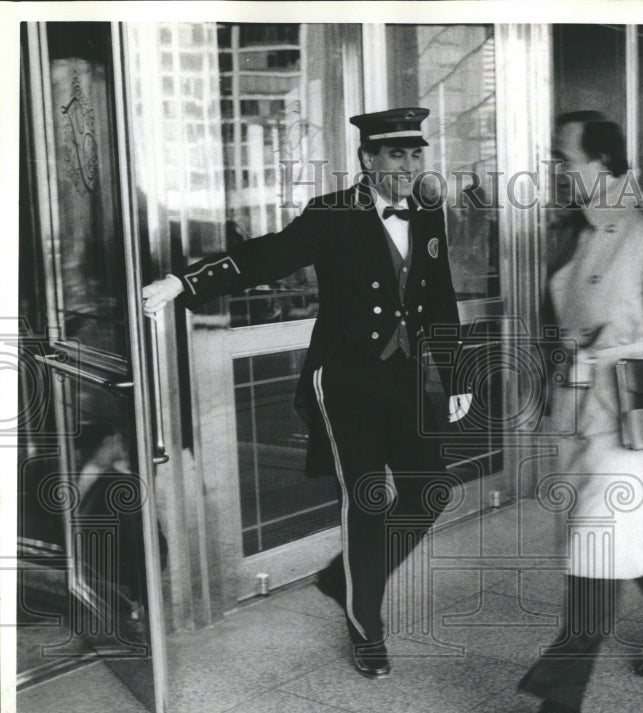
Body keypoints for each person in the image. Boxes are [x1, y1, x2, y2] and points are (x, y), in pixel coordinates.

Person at [142, 107, 472, 678]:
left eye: (416, 154)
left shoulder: (427, 212)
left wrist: (456, 372)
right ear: (368, 159)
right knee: (368, 496)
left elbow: (438, 296)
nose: (410, 164)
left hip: (406, 375)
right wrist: (184, 282)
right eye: (397, 154)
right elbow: (263, 255)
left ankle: (342, 575)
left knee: (430, 491)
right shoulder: (332, 214)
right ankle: (365, 621)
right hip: (345, 377)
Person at [499, 113, 643, 713]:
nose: (557, 171)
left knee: (595, 554)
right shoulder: (575, 228)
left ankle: (560, 708)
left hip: (632, 420)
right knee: (632, 536)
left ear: (601, 161)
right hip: (579, 413)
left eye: (564, 159)